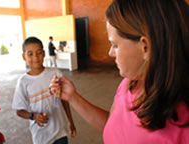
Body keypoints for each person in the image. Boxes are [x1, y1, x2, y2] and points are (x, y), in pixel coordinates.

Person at [49, 0, 189, 143]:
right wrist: (73, 97)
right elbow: (114, 127)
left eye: (115, 45)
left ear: (145, 47)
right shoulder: (129, 84)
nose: (110, 53)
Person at [12, 36, 76, 144]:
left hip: (60, 132)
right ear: (24, 57)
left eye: (38, 52)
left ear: (44, 53)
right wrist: (33, 116)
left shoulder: (55, 73)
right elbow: (19, 111)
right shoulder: (23, 82)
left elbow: (64, 99)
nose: (35, 57)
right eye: (30, 54)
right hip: (41, 136)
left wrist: (71, 121)